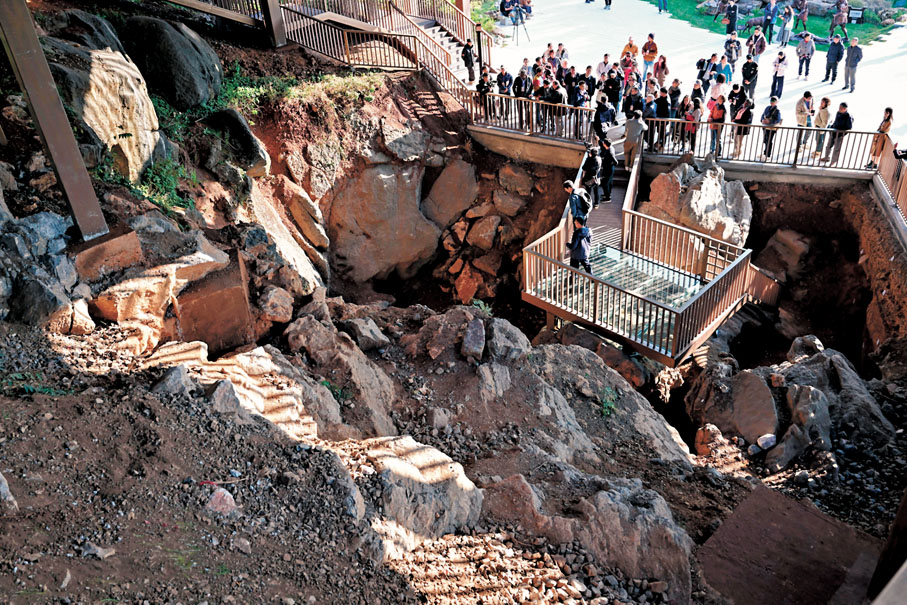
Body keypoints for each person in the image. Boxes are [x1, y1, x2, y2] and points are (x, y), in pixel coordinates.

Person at [760, 96, 782, 160]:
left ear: (776, 102)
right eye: (771, 100)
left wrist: (769, 121)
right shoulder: (767, 107)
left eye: (773, 101)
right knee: (765, 140)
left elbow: (778, 119)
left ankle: (768, 154)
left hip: (772, 127)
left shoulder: (777, 110)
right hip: (765, 126)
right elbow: (763, 115)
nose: (772, 102)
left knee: (769, 140)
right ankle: (765, 152)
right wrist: (762, 120)